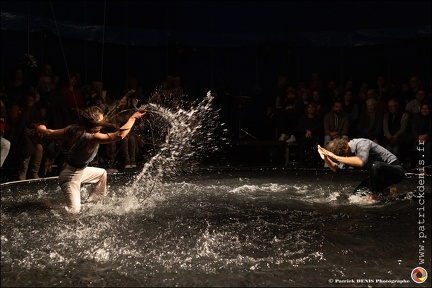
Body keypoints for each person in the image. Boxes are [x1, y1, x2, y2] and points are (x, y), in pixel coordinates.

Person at [36, 105, 145, 214]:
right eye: (101, 121)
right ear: (95, 124)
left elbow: (50, 133)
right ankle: (49, 206)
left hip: (78, 171)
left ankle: (92, 204)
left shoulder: (74, 129)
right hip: (70, 177)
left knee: (101, 174)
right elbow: (119, 135)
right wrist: (132, 118)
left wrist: (42, 128)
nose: (103, 123)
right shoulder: (92, 138)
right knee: (73, 211)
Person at [317, 138, 405, 199]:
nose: (345, 158)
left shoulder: (361, 143)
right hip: (379, 177)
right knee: (356, 195)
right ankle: (389, 191)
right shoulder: (348, 152)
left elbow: (361, 162)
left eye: (344, 156)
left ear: (346, 149)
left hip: (395, 171)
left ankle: (374, 195)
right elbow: (338, 169)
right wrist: (325, 158)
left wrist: (336, 157)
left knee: (375, 165)